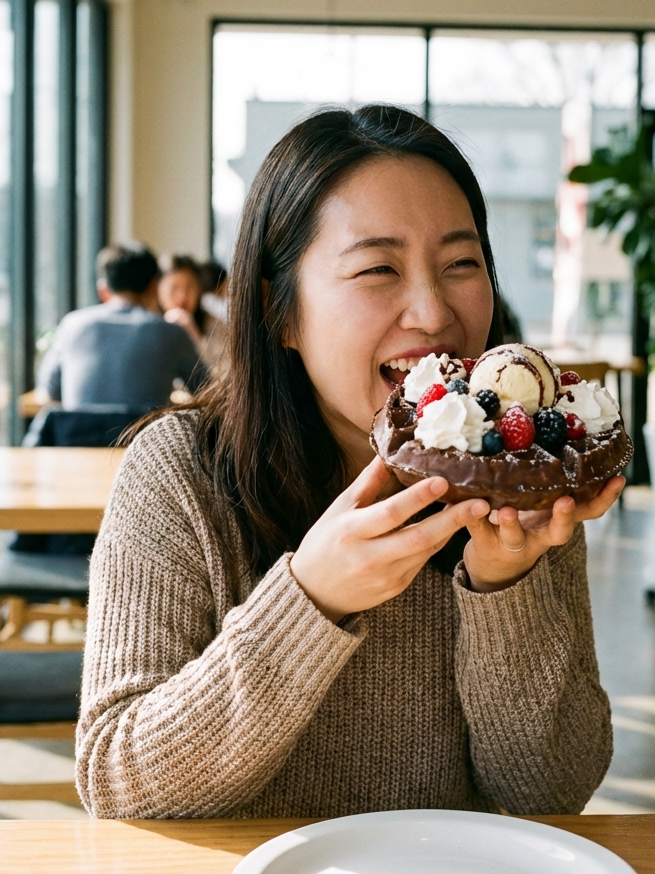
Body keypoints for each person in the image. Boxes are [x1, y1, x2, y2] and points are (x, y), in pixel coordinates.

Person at [76, 106, 621, 820]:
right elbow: (119, 783)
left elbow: (551, 792)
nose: (432, 312)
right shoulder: (180, 474)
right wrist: (311, 597)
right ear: (282, 312)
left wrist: (506, 585)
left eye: (462, 263)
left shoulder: (520, 477)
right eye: (377, 269)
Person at [37, 243, 206, 411]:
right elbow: (205, 389)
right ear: (154, 287)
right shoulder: (171, 332)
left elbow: (51, 389)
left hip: (80, 436)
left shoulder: (71, 324)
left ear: (102, 290)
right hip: (143, 436)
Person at [158, 254, 228, 371]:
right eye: (174, 288)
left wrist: (195, 338)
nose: (182, 297)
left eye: (189, 287)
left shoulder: (215, 325)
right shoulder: (147, 323)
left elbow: (226, 372)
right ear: (158, 289)